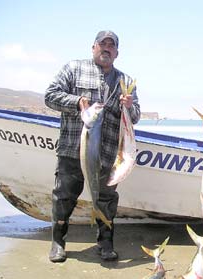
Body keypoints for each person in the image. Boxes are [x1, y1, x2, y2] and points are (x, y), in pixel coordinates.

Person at [44, 30, 140, 263]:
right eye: (102, 44)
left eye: (111, 46)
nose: (106, 48)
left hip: (108, 156)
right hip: (72, 149)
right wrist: (76, 101)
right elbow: (50, 96)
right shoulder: (74, 68)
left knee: (106, 200)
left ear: (116, 52)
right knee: (64, 196)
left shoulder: (125, 82)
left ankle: (105, 244)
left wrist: (128, 106)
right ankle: (58, 242)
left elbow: (135, 116)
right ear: (93, 47)